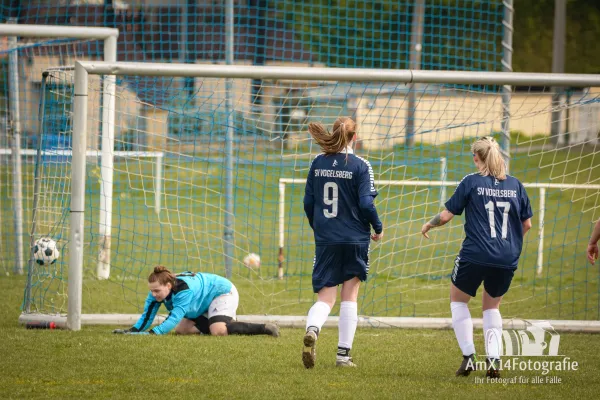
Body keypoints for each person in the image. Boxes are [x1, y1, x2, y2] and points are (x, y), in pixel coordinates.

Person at [420, 136, 532, 378]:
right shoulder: (516, 185)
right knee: (492, 307)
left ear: (476, 158)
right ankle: (493, 360)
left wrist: (428, 224)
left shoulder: (471, 182)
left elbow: (448, 215)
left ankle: (469, 356)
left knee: (458, 301)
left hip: (475, 254)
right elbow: (528, 224)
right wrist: (510, 244)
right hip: (506, 257)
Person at [302, 117, 383, 368]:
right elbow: (367, 204)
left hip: (327, 238)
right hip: (355, 238)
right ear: (354, 137)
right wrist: (378, 227)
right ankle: (343, 356)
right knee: (350, 296)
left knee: (325, 298)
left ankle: (313, 329)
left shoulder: (317, 162)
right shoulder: (361, 165)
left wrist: (319, 228)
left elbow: (308, 203)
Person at [113, 266, 280, 337]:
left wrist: (151, 334)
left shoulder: (183, 290)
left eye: (156, 291)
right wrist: (132, 331)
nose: (153, 294)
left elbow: (173, 318)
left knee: (218, 331)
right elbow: (148, 315)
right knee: (182, 330)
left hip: (222, 292)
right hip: (202, 303)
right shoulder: (157, 291)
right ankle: (222, 322)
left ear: (169, 285)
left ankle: (265, 327)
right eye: (151, 290)